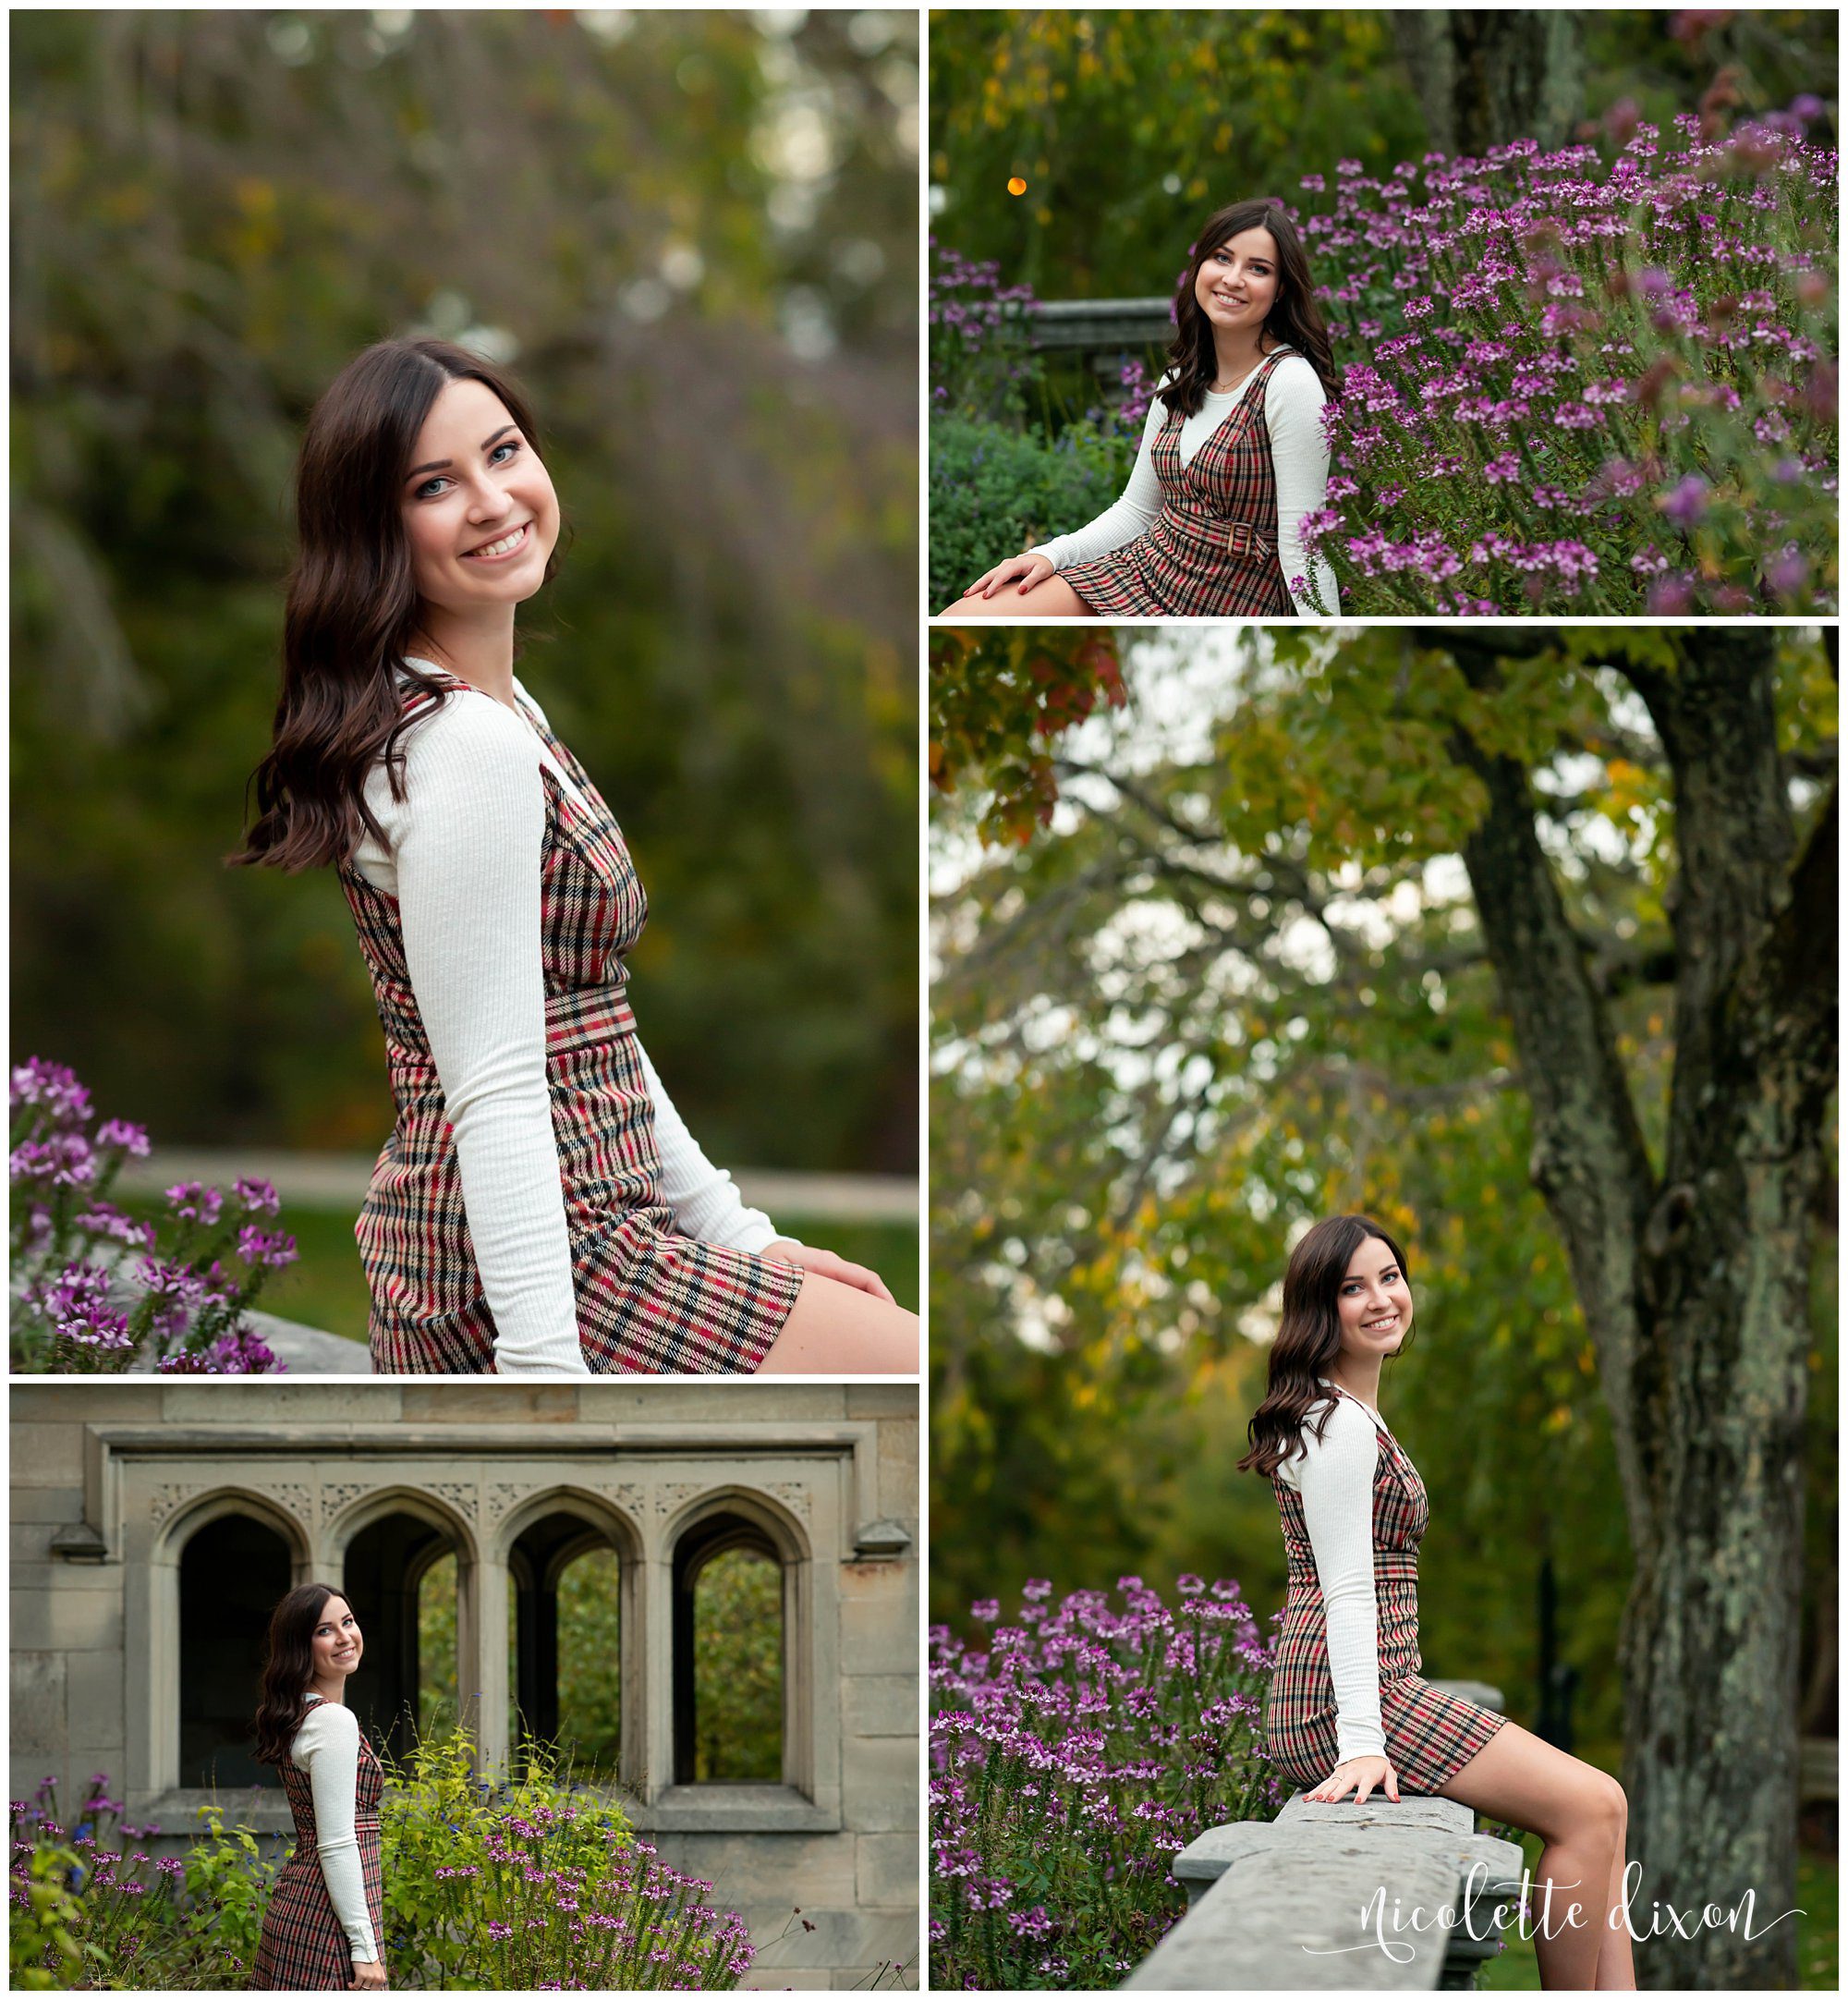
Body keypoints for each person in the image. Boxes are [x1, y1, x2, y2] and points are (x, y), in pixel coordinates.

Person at [234, 336, 917, 1376]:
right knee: (908, 1376)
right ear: (375, 530)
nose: (491, 500)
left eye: (503, 451)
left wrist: (739, 1236)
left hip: (596, 1227)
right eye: (433, 485)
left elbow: (589, 1021)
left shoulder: (495, 711)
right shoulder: (462, 743)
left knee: (896, 1359)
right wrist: (545, 1381)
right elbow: (496, 1086)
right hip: (539, 1264)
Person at [1239, 1214, 1635, 1991]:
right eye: (1353, 1288)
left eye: (1390, 1277)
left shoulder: (1346, 1414)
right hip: (1344, 1701)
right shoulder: (1337, 1424)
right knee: (1592, 1807)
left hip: (1372, 1688)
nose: (1381, 1298)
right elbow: (1346, 1589)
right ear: (1319, 1309)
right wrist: (1362, 1743)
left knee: (1606, 1809)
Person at [941, 197, 1340, 620]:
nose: (1233, 278)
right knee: (962, 618)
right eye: (1222, 258)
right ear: (1200, 267)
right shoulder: (1180, 379)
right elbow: (1137, 511)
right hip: (1145, 570)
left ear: (1281, 289)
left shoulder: (1289, 383)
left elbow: (1304, 545)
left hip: (1228, 598)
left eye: (1258, 269)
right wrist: (1050, 555)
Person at [250, 1586, 386, 1993]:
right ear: (300, 1647)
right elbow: (337, 1841)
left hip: (310, 1903)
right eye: (325, 1630)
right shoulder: (332, 1721)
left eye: (348, 1622)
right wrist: (364, 1945)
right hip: (325, 1917)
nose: (345, 1637)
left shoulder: (304, 1714)